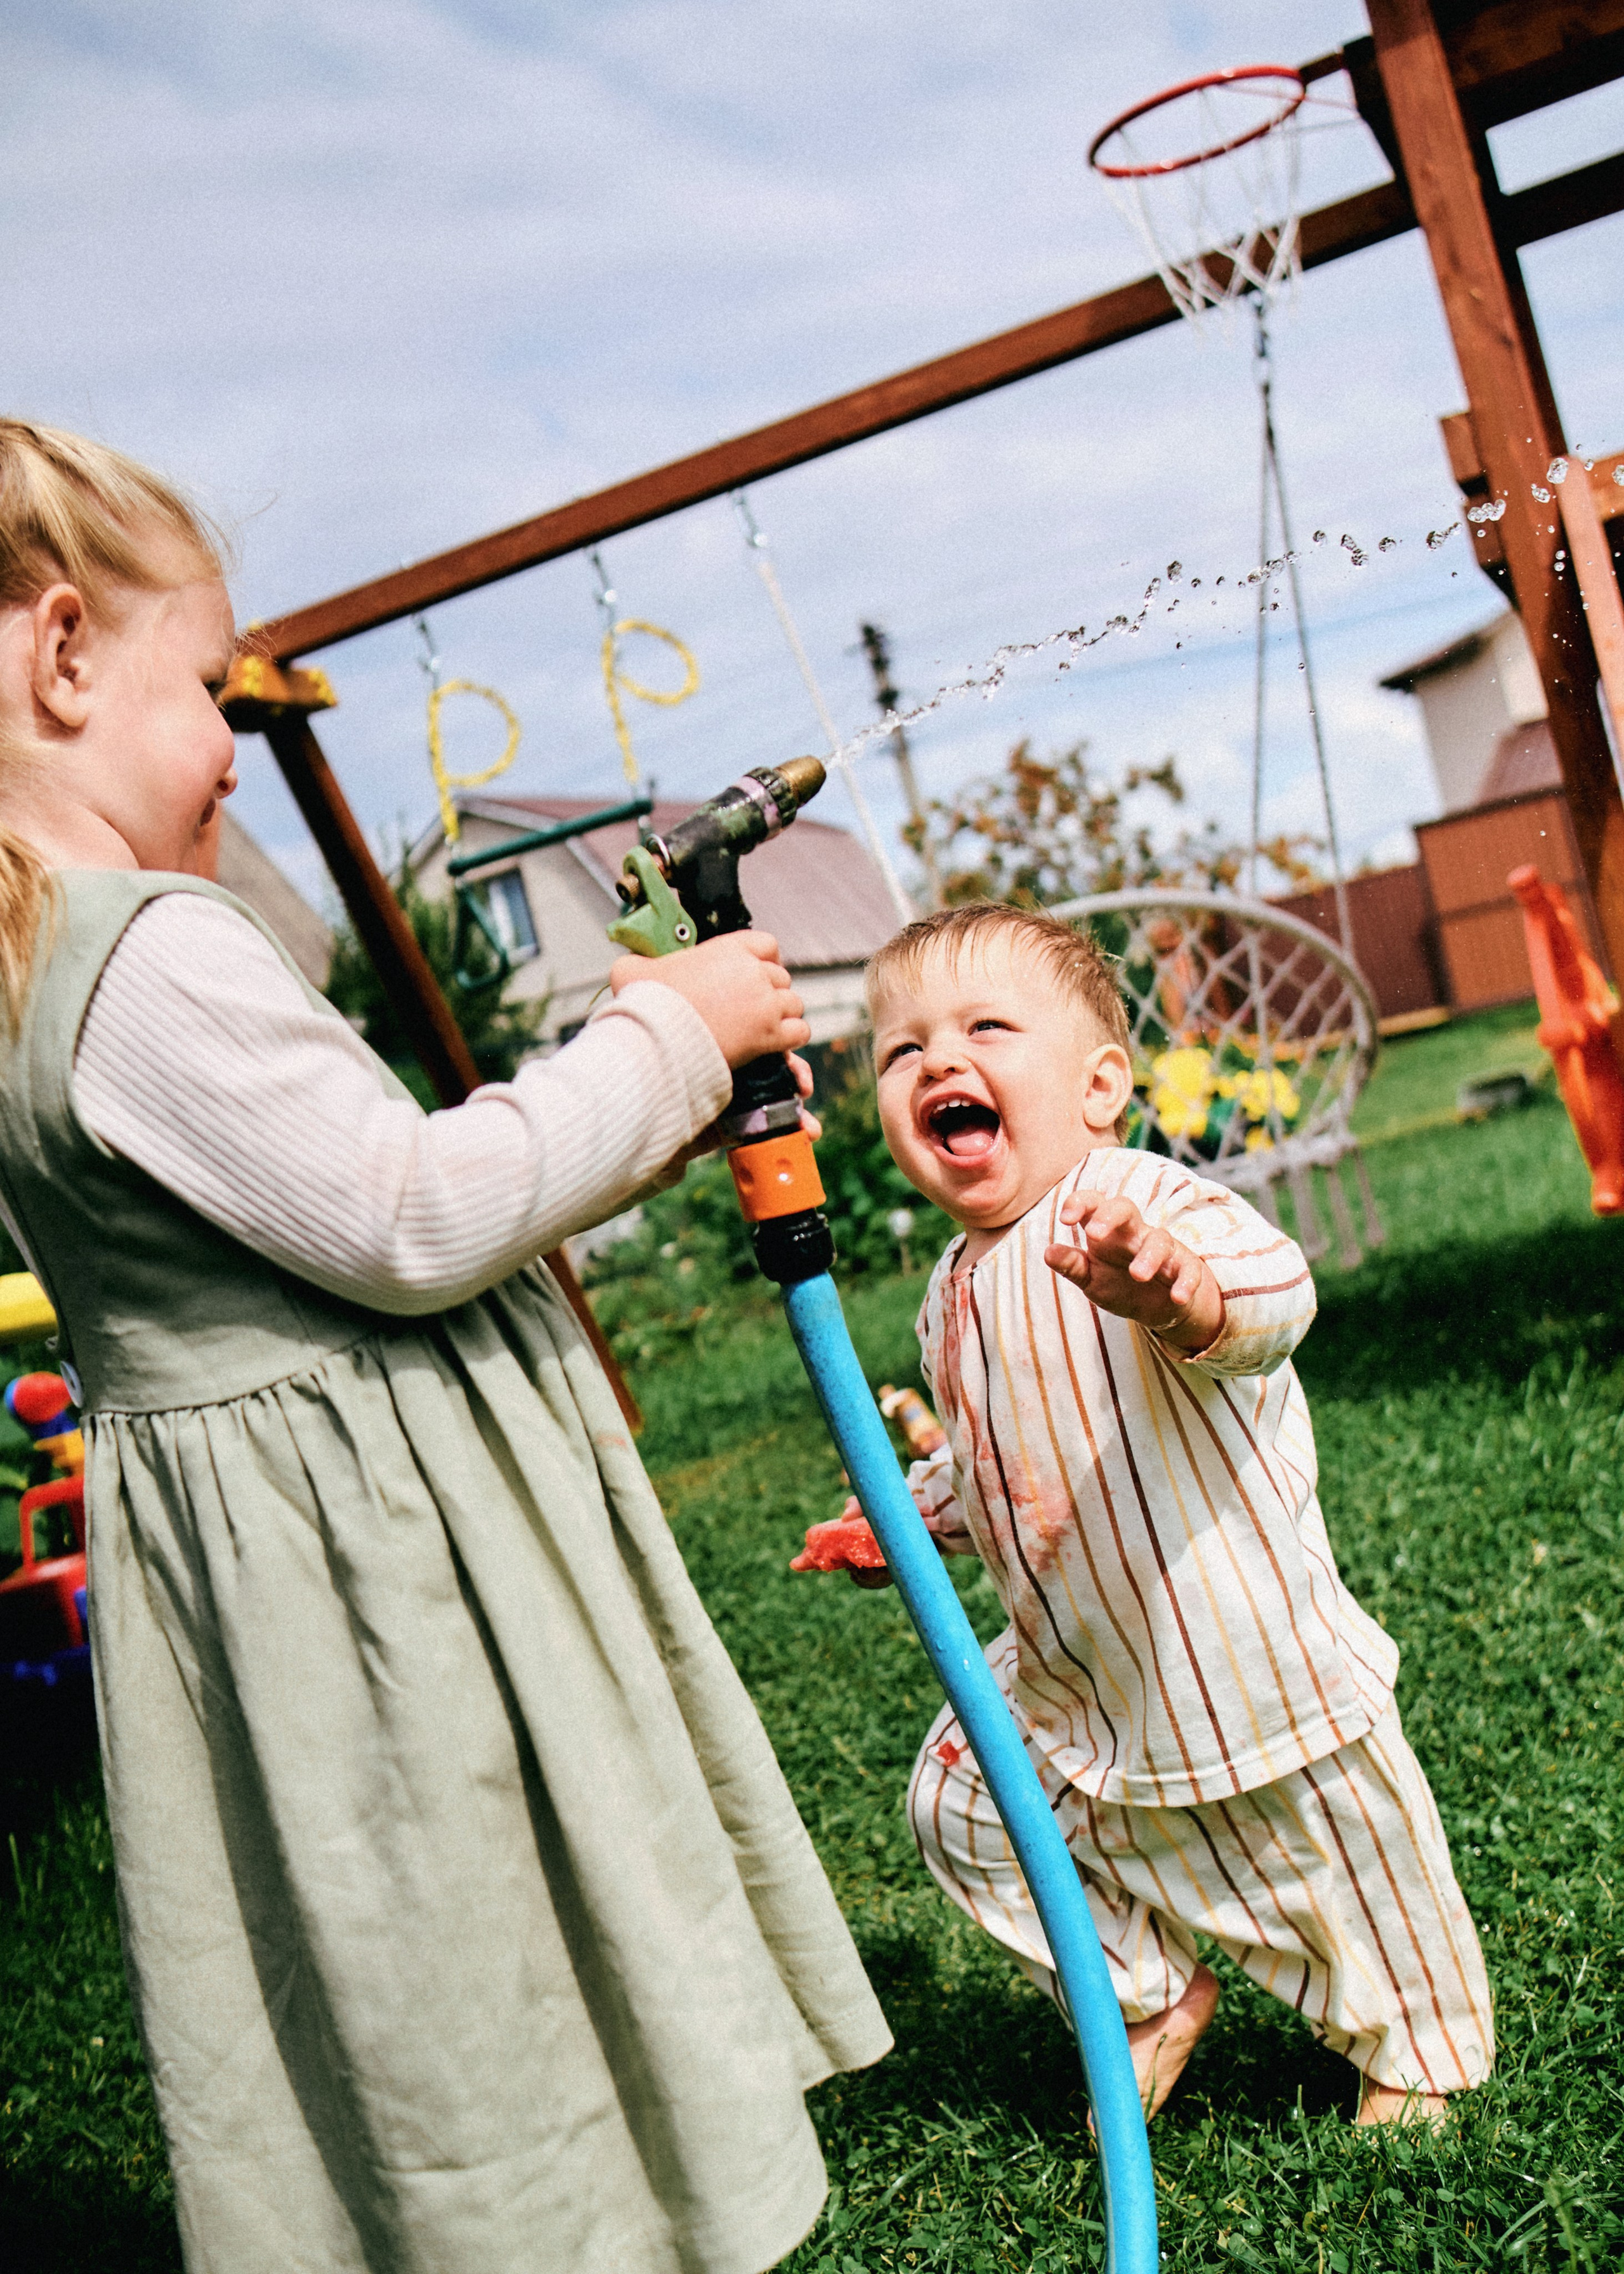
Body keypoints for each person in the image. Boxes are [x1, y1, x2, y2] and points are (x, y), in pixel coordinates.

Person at [0, 418, 890, 2274]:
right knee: (478, 1925)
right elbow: (414, 1215)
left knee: (414, 1937)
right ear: (64, 652)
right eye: (213, 697)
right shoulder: (139, 955)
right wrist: (671, 1038)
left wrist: (662, 1080)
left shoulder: (50, 961)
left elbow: (309, 1105)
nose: (234, 751)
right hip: (377, 1569)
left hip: (280, 1554)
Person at [811, 899, 1492, 2125]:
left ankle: (1416, 2050)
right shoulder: (949, 1288)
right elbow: (989, 1456)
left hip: (1233, 1649)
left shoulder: (1126, 1201)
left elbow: (1279, 1288)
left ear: (1100, 1085)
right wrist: (908, 1520)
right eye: (901, 1048)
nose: (938, 1060)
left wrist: (1183, 1295)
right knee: (963, 1802)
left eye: (985, 1027)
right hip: (1082, 1670)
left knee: (1344, 1851)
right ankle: (1141, 1989)